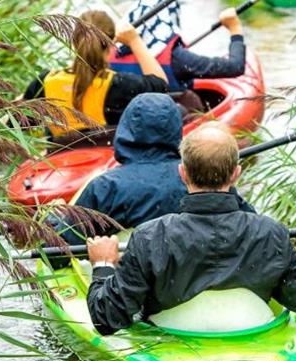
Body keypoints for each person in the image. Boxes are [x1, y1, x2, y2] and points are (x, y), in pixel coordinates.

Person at [86, 122, 296, 335]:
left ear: (182, 173)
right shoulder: (271, 232)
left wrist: (103, 264)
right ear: (237, 173)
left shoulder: (149, 237)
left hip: (173, 339)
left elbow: (106, 320)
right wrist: (282, 253)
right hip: (251, 334)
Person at [55, 93, 254, 246]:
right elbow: (251, 225)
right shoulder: (200, 175)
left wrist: (53, 220)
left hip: (133, 282)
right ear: (176, 129)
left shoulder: (106, 187)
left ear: (126, 129)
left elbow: (60, 251)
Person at [22, 10, 169, 144]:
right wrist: (134, 40)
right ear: (111, 44)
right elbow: (162, 86)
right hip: (108, 154)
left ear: (74, 43)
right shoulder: (120, 85)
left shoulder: (44, 82)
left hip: (60, 157)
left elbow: (17, 122)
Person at [110, 1, 246, 96]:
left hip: (122, 121)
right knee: (192, 101)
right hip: (166, 120)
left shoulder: (106, 54)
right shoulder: (178, 58)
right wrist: (235, 29)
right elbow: (235, 67)